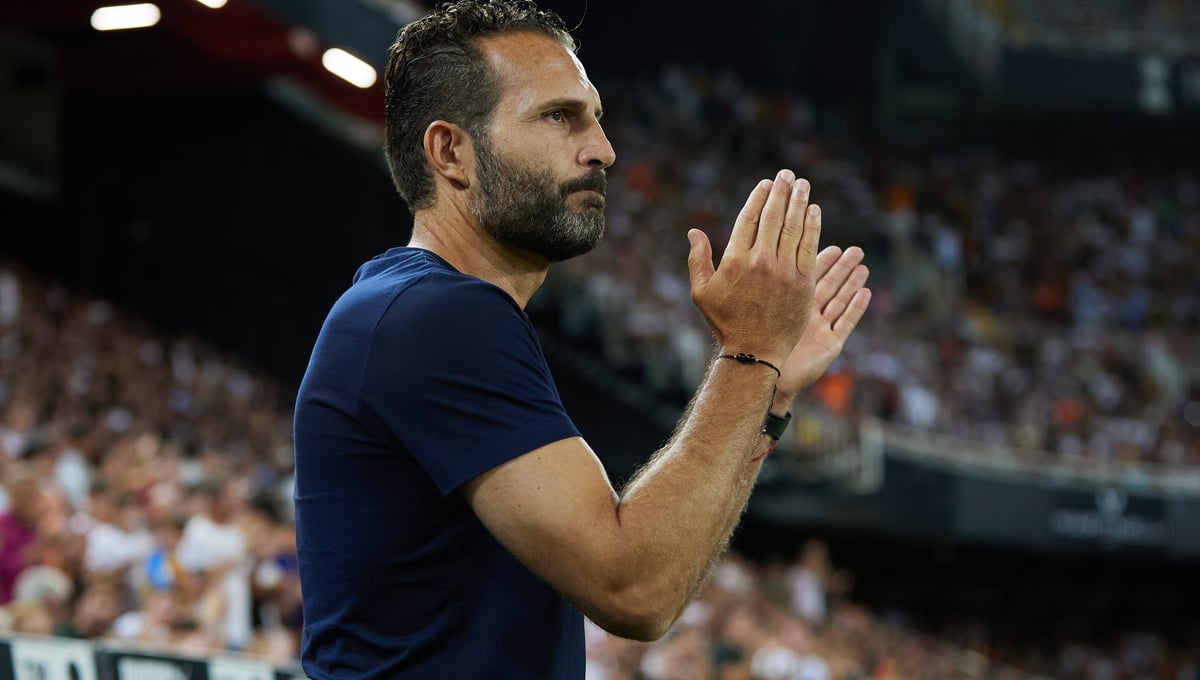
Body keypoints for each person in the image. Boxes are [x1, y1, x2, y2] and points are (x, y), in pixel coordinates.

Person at [292, 1, 872, 677]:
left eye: (595, 116)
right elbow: (635, 588)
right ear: (451, 151)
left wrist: (766, 391)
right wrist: (751, 354)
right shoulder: (436, 317)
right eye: (558, 116)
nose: (603, 148)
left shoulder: (417, 310)